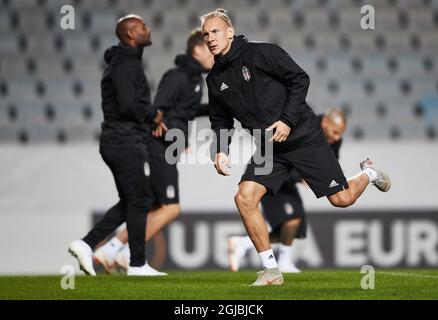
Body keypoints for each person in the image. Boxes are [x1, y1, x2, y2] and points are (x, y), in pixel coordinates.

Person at [201, 8, 391, 286]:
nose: (210, 38)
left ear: (229, 32)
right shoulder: (215, 79)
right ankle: (271, 272)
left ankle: (369, 174)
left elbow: (300, 78)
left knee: (342, 199)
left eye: (215, 31)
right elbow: (220, 119)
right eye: (206, 34)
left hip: (303, 136)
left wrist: (288, 120)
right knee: (244, 198)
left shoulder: (261, 53)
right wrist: (220, 150)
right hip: (269, 147)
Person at [92, 29, 214, 274]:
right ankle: (121, 251)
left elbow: (182, 112)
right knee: (171, 208)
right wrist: (172, 136)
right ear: (197, 50)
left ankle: (114, 250)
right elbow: (158, 110)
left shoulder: (194, 79)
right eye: (210, 48)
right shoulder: (178, 76)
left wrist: (217, 109)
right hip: (158, 147)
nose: (215, 53)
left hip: (167, 147)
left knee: (155, 207)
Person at [68, 14, 166, 276]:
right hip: (124, 141)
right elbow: (128, 105)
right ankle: (137, 264)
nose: (148, 29)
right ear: (131, 34)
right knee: (140, 200)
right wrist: (153, 115)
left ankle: (86, 243)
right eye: (143, 26)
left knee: (133, 200)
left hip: (121, 140)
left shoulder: (126, 62)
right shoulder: (125, 64)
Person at [228, 107, 347, 274]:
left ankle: (245, 244)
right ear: (325, 121)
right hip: (276, 177)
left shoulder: (334, 140)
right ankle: (278, 260)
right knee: (291, 221)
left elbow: (329, 164)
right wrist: (301, 177)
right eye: (335, 132)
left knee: (295, 228)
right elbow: (284, 155)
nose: (337, 137)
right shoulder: (307, 124)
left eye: (340, 134)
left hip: (289, 182)